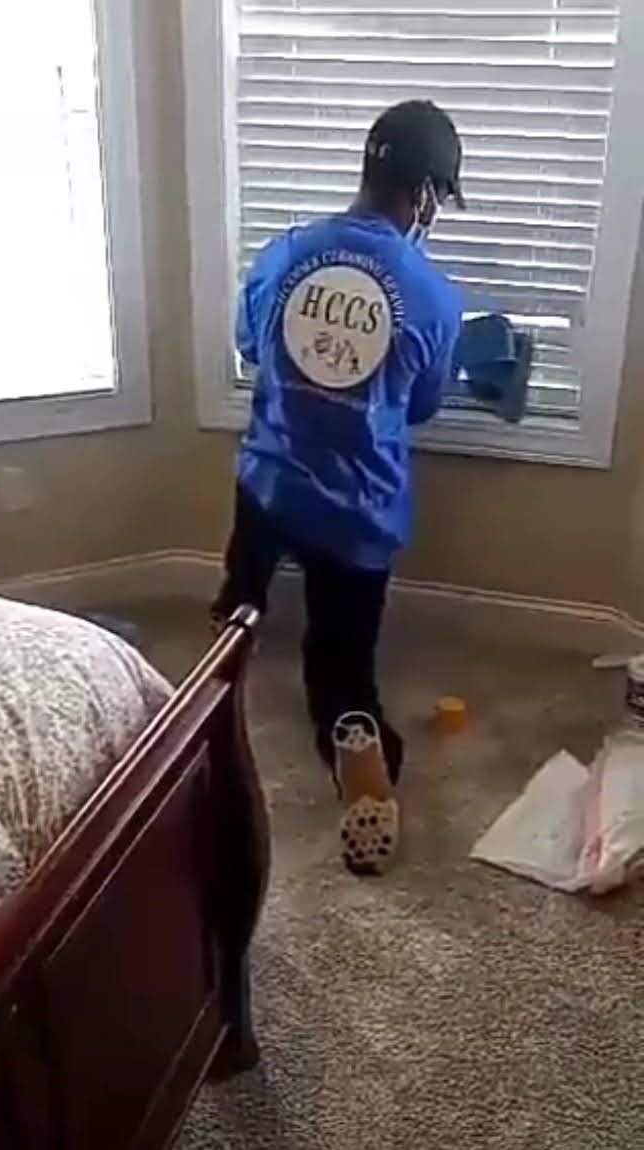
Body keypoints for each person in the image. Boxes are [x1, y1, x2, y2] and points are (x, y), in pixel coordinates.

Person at [212, 100, 465, 874]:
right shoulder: (432, 295)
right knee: (340, 662)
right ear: (422, 195)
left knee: (240, 605)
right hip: (357, 514)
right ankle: (357, 747)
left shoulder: (287, 252)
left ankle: (209, 708)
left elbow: (252, 345)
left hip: (270, 482)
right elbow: (418, 405)